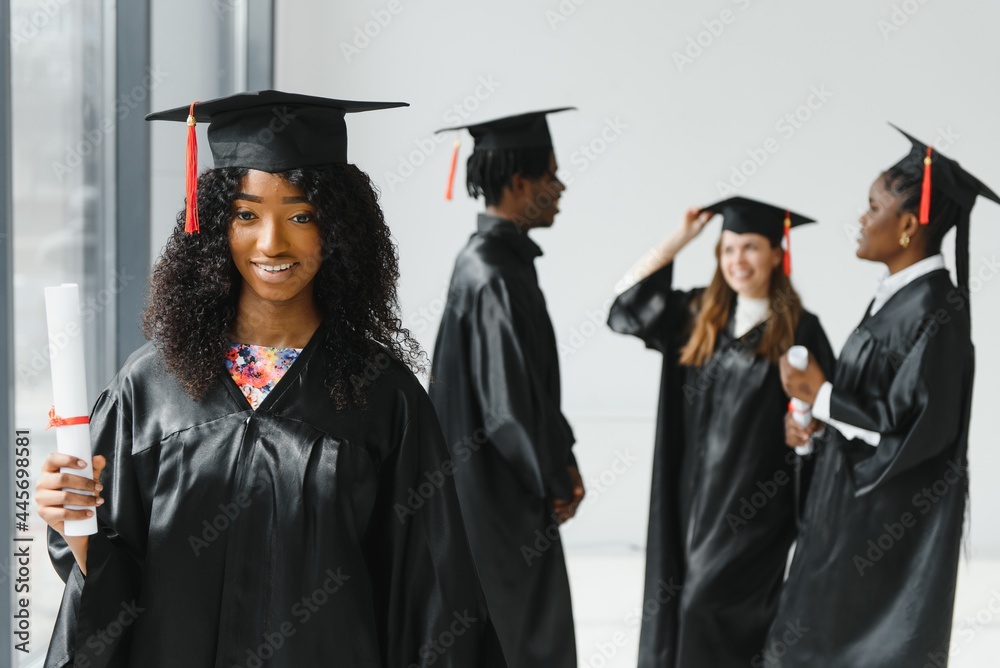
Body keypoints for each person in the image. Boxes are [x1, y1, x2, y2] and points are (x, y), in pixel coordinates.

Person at [35, 90, 504, 668]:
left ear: (338, 227)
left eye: (301, 215)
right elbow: (113, 588)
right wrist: (75, 524)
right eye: (246, 214)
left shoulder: (384, 396)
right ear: (214, 226)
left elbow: (431, 595)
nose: (272, 242)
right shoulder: (150, 388)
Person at [764, 125, 996, 667]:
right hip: (847, 515)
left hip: (880, 531)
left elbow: (914, 429)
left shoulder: (934, 310)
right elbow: (876, 412)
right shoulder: (898, 300)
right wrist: (815, 423)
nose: (861, 219)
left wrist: (823, 395)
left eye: (873, 207)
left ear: (909, 225)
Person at [607, 197, 835, 667]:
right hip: (689, 504)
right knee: (683, 611)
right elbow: (624, 307)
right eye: (728, 249)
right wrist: (679, 238)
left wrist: (807, 431)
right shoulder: (696, 316)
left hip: (757, 510)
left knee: (706, 609)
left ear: (777, 254)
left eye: (750, 247)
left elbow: (826, 420)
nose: (737, 260)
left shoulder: (801, 330)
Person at [428, 108, 583, 667]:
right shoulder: (493, 272)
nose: (560, 188)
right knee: (519, 641)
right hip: (499, 496)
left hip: (488, 486)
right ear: (520, 182)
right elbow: (507, 406)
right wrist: (555, 475)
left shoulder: (491, 262)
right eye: (551, 175)